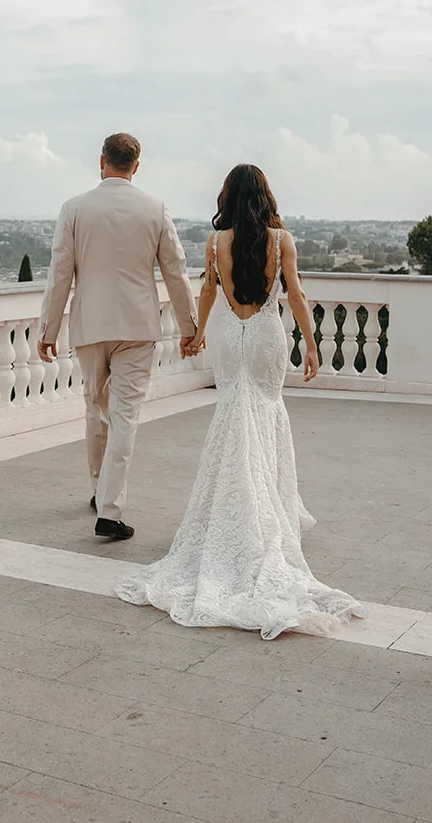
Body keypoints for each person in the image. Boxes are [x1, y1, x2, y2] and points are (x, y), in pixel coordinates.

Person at [115, 163, 363, 638]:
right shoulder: (281, 240)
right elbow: (296, 296)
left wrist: (197, 334)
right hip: (268, 337)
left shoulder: (215, 242)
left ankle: (232, 512)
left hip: (232, 337)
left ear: (228, 196)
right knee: (266, 416)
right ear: (265, 195)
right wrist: (311, 344)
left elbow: (208, 290)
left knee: (233, 416)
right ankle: (270, 510)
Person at [38, 132, 198, 541]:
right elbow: (176, 272)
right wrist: (189, 327)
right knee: (125, 415)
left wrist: (48, 330)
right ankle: (110, 507)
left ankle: (98, 489)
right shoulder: (155, 209)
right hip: (137, 326)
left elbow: (60, 274)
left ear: (102, 161)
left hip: (90, 325)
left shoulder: (74, 208)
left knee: (96, 408)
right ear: (136, 166)